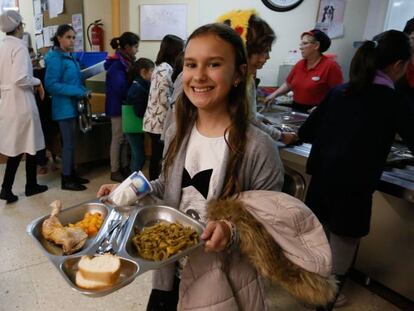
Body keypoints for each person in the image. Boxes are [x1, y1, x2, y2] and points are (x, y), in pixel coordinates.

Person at [97, 23, 338, 310]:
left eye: (213, 64)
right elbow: (168, 182)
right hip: (170, 270)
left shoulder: (257, 147)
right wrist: (130, 189)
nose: (198, 76)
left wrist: (230, 230)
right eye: (190, 64)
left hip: (223, 280)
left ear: (238, 74)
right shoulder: (177, 130)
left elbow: (271, 224)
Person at [297, 30, 414, 311]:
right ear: (398, 65)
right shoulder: (392, 100)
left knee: (320, 238)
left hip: (322, 179)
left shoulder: (340, 91)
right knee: (343, 245)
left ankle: (311, 290)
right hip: (353, 186)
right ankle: (325, 300)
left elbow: (308, 130)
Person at [217, 9, 297, 144]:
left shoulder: (246, 78)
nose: (267, 57)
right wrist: (281, 136)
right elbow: (248, 121)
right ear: (243, 50)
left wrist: (259, 116)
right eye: (263, 51)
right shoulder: (232, 82)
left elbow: (248, 115)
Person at [0, 10, 48, 203]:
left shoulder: (2, 47)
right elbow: (21, 78)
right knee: (28, 144)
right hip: (21, 103)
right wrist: (37, 81)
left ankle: (17, 186)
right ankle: (26, 186)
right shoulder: (19, 47)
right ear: (19, 27)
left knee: (20, 145)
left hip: (8, 103)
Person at [44, 24, 90, 191]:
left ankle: (71, 173)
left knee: (71, 143)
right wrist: (77, 91)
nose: (72, 40)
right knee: (68, 144)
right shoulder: (56, 59)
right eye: (68, 37)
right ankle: (66, 179)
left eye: (73, 37)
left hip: (73, 106)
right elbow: (51, 85)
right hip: (63, 108)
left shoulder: (69, 57)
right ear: (59, 38)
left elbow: (73, 81)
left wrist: (83, 90)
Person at [265, 29, 343, 113]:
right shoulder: (299, 64)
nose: (300, 47)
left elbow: (338, 95)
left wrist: (322, 108)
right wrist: (273, 95)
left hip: (317, 111)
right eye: (301, 43)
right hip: (296, 108)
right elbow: (288, 84)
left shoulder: (331, 66)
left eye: (305, 43)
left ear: (316, 45)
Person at [143, 34, 184, 180]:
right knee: (157, 155)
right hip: (158, 122)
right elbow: (164, 98)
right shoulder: (165, 69)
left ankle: (154, 181)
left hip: (154, 119)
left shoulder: (160, 67)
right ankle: (154, 183)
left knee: (157, 154)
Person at [105, 31, 140, 182]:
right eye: (135, 47)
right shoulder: (117, 66)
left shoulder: (127, 62)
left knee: (125, 138)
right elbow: (120, 88)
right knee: (117, 138)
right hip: (117, 107)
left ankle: (124, 166)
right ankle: (114, 169)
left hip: (124, 106)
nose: (137, 50)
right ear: (126, 47)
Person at [124, 58, 155, 173]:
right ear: (143, 72)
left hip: (135, 128)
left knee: (138, 154)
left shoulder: (140, 85)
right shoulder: (138, 89)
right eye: (152, 71)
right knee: (139, 156)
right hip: (133, 127)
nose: (154, 74)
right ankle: (133, 180)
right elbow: (139, 112)